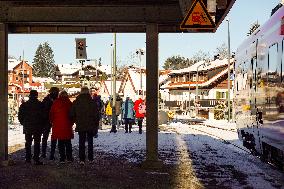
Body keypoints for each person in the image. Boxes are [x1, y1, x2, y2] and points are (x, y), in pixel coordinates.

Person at [70, 87, 99, 165]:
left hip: (80, 124)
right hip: (90, 125)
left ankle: (82, 159)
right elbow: (97, 114)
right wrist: (96, 124)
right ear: (88, 92)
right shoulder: (92, 102)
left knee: (81, 142)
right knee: (90, 141)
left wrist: (75, 120)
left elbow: (72, 113)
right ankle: (90, 158)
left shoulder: (76, 102)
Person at [18, 90, 44, 165]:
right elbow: (43, 116)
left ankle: (28, 158)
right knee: (37, 143)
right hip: (37, 127)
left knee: (28, 143)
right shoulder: (40, 105)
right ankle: (36, 159)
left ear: (29, 96)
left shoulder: (24, 105)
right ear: (37, 96)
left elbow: (20, 116)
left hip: (27, 126)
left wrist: (23, 123)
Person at [49, 91, 74, 163]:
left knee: (60, 142)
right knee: (68, 142)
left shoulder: (55, 103)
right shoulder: (69, 103)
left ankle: (62, 158)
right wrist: (71, 123)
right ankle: (69, 158)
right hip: (67, 125)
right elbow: (72, 115)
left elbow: (51, 114)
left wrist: (52, 122)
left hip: (57, 126)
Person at [41, 87, 59, 160]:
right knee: (52, 137)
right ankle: (50, 154)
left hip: (47, 121)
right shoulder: (57, 101)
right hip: (52, 121)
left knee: (46, 137)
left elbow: (42, 110)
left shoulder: (45, 100)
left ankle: (45, 153)